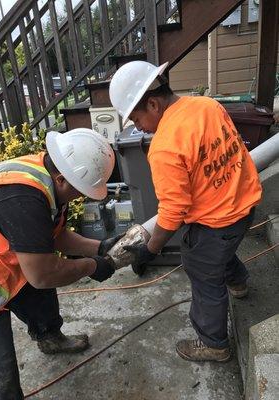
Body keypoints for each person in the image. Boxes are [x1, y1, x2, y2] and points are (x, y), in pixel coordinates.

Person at [109, 61, 262, 363]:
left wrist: (150, 249)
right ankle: (238, 283)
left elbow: (173, 211)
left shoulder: (165, 145)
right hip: (245, 207)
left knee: (201, 267)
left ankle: (214, 343)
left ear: (153, 103)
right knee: (217, 253)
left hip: (216, 222)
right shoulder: (207, 105)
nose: (137, 127)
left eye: (137, 118)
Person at [0, 128, 120, 399]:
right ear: (62, 180)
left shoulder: (48, 177)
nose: (83, 197)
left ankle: (49, 337)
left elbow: (54, 236)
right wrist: (93, 266)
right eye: (81, 192)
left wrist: (100, 247)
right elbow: (42, 273)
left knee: (38, 297)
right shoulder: (23, 198)